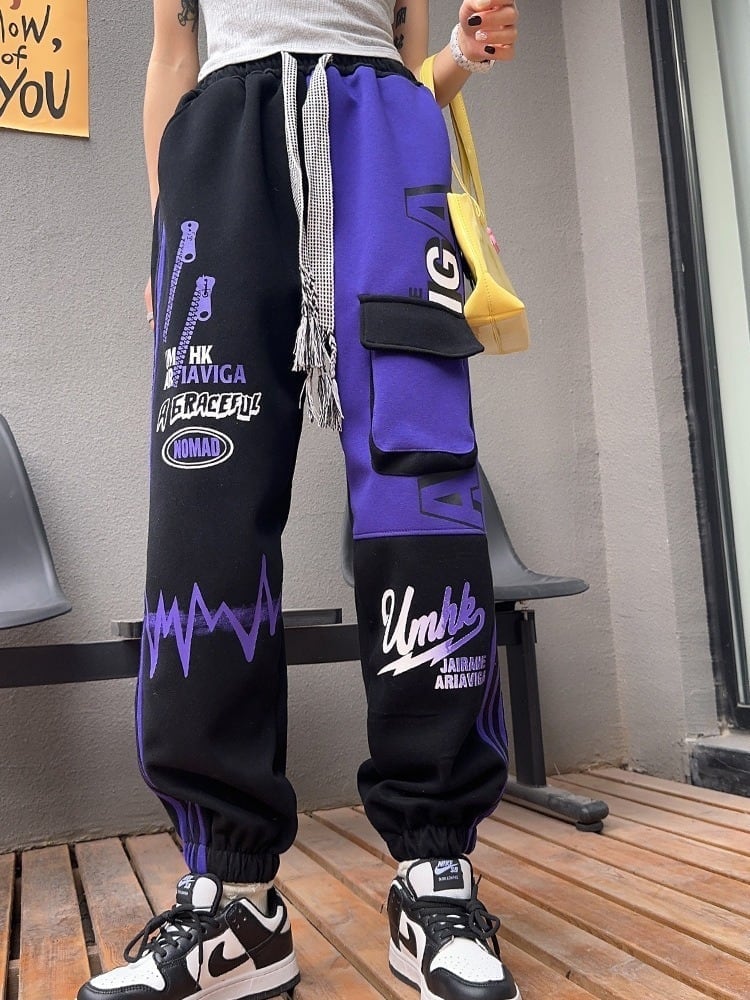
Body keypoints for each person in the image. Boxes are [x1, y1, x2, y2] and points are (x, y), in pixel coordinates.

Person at [78, 2, 521, 999]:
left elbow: (408, 59)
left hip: (385, 135)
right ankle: (232, 899)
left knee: (421, 485)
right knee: (205, 503)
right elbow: (173, 53)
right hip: (221, 142)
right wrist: (163, 224)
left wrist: (458, 68)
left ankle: (434, 872)